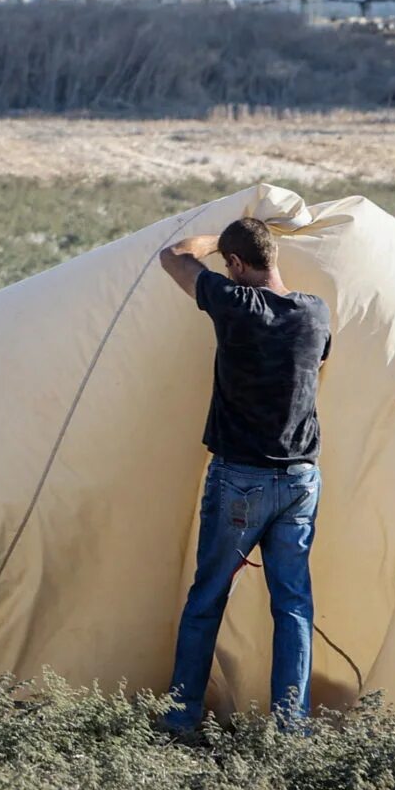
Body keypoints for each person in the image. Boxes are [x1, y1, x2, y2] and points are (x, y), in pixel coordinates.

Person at [155, 217, 332, 735]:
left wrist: (212, 240)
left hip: (241, 478)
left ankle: (182, 716)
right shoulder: (315, 312)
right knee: (293, 605)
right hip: (300, 478)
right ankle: (291, 726)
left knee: (208, 597)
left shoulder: (234, 305)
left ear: (234, 265)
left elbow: (173, 256)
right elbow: (318, 363)